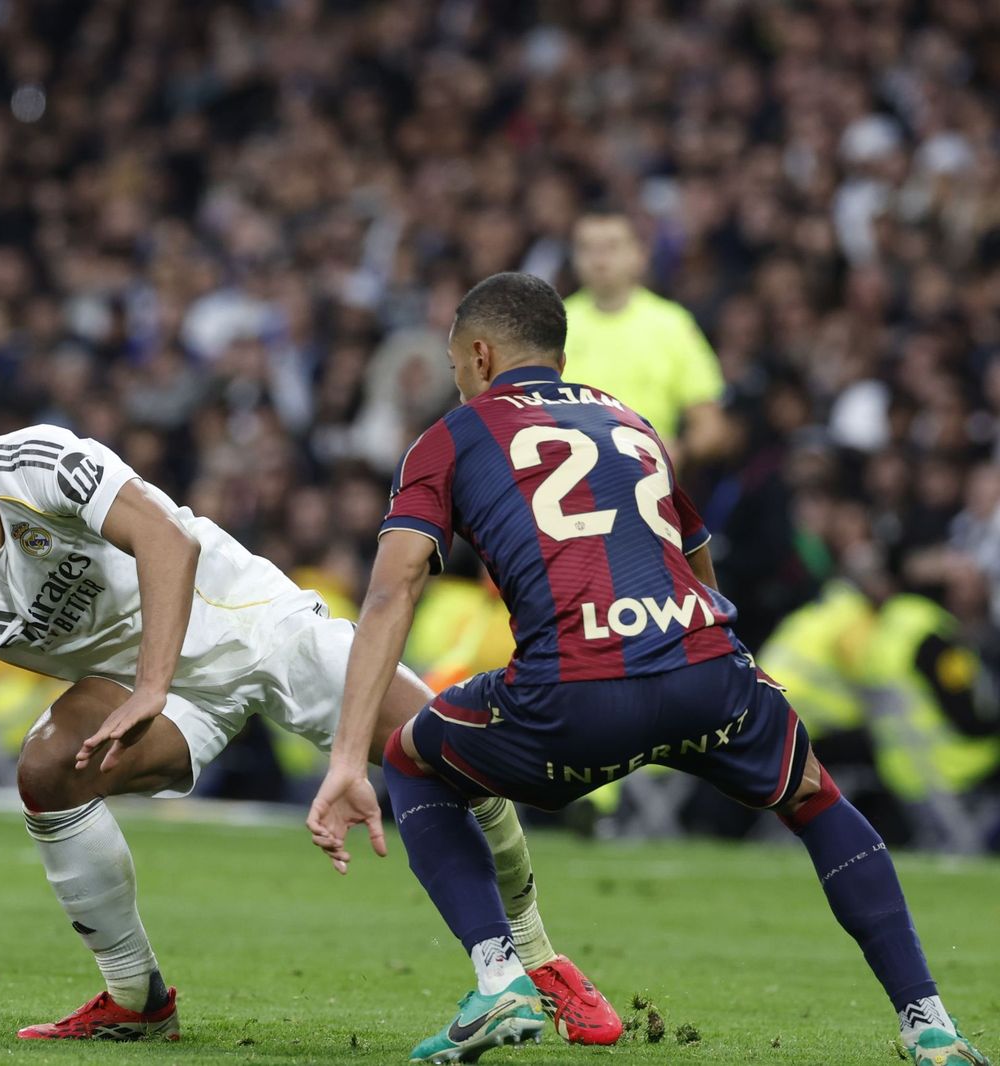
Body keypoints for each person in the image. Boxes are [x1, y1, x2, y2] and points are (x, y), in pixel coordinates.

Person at [305, 272, 988, 1066]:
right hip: (705, 669)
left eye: (459, 366)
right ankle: (928, 1023)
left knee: (412, 758)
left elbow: (392, 589)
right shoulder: (628, 420)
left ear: (482, 356)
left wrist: (347, 756)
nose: (460, 382)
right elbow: (694, 553)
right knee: (814, 796)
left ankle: (500, 978)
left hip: (573, 697)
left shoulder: (450, 438)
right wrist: (714, 660)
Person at [0, 407, 622, 1045]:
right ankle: (136, 997)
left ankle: (538, 955)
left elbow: (167, 539)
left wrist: (151, 685)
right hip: (159, 691)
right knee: (47, 772)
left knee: (450, 749)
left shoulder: (30, 463)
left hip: (252, 620)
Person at [563, 209, 731, 467]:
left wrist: (678, 451)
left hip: (647, 480)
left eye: (612, 246)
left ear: (639, 255)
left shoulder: (672, 324)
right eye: (587, 248)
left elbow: (710, 424)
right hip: (568, 477)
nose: (599, 259)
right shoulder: (554, 325)